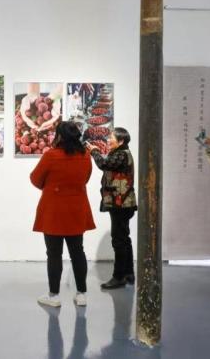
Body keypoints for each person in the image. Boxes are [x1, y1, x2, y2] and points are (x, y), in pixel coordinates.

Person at [30, 121, 95, 307]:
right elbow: (86, 179)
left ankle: (54, 296)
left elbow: (35, 179)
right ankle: (81, 294)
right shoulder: (86, 156)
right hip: (77, 208)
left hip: (54, 210)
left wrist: (51, 185)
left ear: (59, 136)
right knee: (78, 252)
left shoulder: (51, 155)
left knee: (54, 254)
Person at [86, 127, 137, 289]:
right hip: (123, 203)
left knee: (119, 241)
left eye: (111, 138)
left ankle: (119, 277)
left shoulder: (121, 154)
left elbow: (104, 164)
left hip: (121, 203)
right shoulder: (121, 153)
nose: (108, 140)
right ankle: (128, 273)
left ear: (121, 141)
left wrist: (94, 151)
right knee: (124, 238)